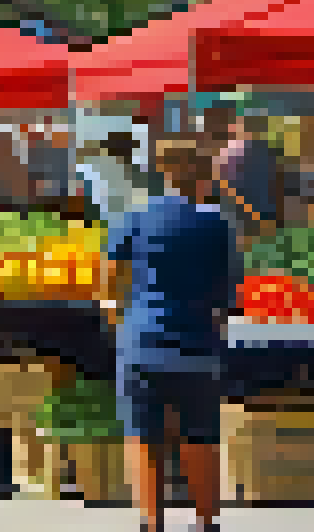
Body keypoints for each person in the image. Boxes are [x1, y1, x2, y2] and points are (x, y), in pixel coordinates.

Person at [104, 145, 242, 532]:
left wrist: (119, 320)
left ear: (161, 173)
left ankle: (152, 523)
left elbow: (109, 280)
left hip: (142, 342)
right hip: (196, 343)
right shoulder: (216, 224)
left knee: (143, 435)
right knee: (200, 436)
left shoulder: (133, 218)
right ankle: (205, 521)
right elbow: (227, 295)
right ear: (202, 176)